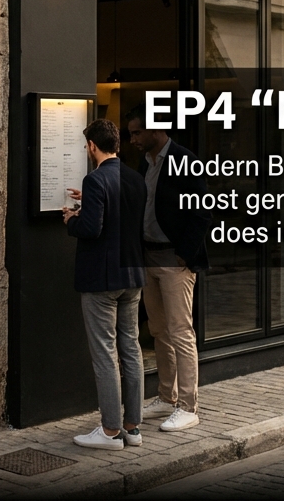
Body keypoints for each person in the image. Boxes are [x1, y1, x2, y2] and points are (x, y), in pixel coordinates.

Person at [63, 118, 147, 450]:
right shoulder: (135, 178)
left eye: (87, 146)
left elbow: (91, 229)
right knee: (132, 349)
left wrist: (72, 220)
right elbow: (123, 216)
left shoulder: (96, 179)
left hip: (102, 280)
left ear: (93, 146)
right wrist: (91, 201)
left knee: (105, 353)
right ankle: (133, 428)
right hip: (132, 276)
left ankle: (110, 431)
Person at [126, 106, 210, 432]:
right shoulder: (145, 163)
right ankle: (166, 397)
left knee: (180, 332)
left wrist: (184, 255)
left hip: (174, 261)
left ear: (155, 129)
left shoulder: (184, 160)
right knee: (159, 331)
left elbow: (202, 212)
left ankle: (189, 406)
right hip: (149, 257)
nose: (133, 140)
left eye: (137, 133)